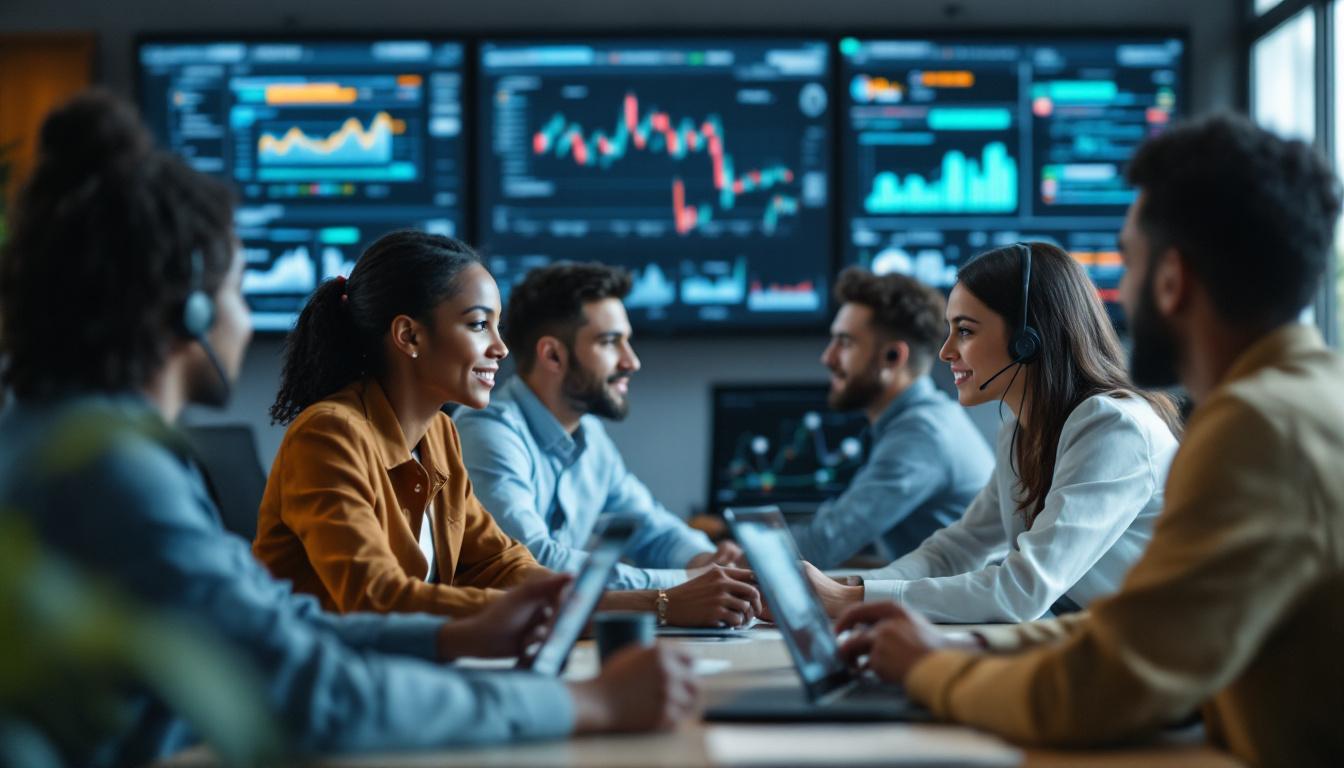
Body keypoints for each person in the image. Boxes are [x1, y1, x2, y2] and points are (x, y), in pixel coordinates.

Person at [0, 91, 696, 766]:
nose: (247, 317)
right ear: (190, 313)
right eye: (239, 289)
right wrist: (586, 704)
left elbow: (281, 625)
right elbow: (315, 684)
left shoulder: (92, 447)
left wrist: (463, 634)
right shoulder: (110, 470)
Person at [834, 114, 1344, 767]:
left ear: (1171, 279)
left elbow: (1105, 684)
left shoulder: (1256, 429)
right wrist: (970, 647)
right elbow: (1151, 627)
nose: (1119, 291)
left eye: (1127, 261)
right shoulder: (1301, 403)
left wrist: (929, 670)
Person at [255, 240, 760, 628]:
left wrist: (655, 603)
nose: (500, 348)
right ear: (409, 335)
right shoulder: (329, 436)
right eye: (479, 325)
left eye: (498, 326)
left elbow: (505, 564)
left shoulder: (439, 436)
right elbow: (379, 599)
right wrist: (660, 604)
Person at [805, 242, 1182, 623]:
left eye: (965, 331)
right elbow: (954, 551)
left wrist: (850, 600)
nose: (945, 352)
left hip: (1166, 652)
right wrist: (847, 588)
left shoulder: (1113, 427)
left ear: (1027, 340)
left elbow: (1022, 590)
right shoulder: (1020, 431)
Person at [455, 263, 762, 628]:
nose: (631, 361)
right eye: (609, 342)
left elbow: (651, 528)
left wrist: (708, 561)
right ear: (552, 355)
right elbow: (532, 562)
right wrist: (685, 584)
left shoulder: (590, 437)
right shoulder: (487, 432)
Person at [790, 267, 993, 568]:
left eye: (845, 343)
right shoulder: (923, 419)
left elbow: (824, 544)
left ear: (893, 357)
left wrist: (737, 555)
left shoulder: (922, 434)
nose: (828, 357)